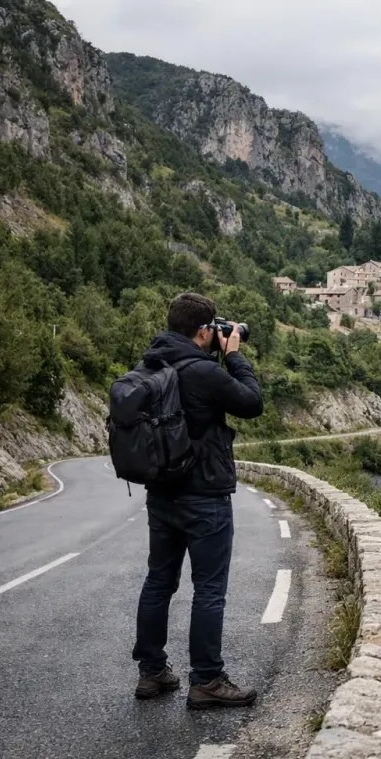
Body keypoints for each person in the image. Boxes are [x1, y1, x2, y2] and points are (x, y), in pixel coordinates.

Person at [132, 292, 264, 709]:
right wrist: (236, 355)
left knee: (159, 582)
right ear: (204, 332)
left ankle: (152, 672)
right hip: (204, 494)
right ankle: (206, 679)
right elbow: (251, 403)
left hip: (161, 492)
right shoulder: (203, 372)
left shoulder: (150, 365)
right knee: (208, 589)